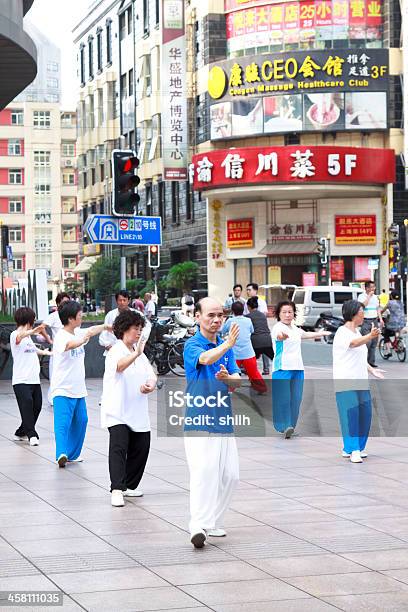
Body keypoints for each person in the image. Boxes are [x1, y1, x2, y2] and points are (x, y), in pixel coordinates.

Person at [183, 297, 241, 548]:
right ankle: (197, 525)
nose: (217, 320)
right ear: (197, 317)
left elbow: (238, 380)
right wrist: (227, 343)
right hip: (199, 418)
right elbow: (205, 359)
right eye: (211, 315)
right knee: (203, 472)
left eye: (221, 315)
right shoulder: (192, 344)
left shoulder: (227, 348)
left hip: (223, 418)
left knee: (230, 475)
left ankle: (213, 520)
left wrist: (229, 378)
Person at [101, 310, 156, 507]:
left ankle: (128, 485)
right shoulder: (117, 349)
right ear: (124, 329)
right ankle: (116, 488)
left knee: (142, 446)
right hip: (117, 410)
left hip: (137, 410)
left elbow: (151, 374)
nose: (139, 333)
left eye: (141, 329)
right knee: (119, 447)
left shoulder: (139, 354)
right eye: (136, 329)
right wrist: (136, 353)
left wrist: (150, 384)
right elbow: (119, 367)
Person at [51, 301, 112, 468]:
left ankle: (72, 454)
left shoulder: (77, 331)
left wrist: (106, 327)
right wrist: (83, 340)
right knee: (62, 424)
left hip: (78, 389)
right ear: (70, 319)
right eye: (79, 315)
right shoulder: (61, 336)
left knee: (82, 421)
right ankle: (61, 453)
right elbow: (69, 345)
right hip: (62, 389)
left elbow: (91, 331)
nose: (81, 317)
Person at [333, 300, 384, 463]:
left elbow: (360, 355)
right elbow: (353, 345)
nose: (364, 314)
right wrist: (370, 336)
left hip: (361, 380)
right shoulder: (342, 332)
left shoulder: (357, 332)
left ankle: (356, 448)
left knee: (365, 414)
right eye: (362, 311)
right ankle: (353, 448)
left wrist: (372, 369)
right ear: (354, 313)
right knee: (351, 415)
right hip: (345, 380)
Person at [271, 300, 330, 438]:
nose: (287, 315)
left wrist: (321, 333)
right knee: (283, 399)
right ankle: (284, 426)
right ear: (279, 314)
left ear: (294, 313)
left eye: (290, 312)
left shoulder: (295, 328)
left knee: (296, 399)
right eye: (284, 312)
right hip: (282, 368)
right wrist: (282, 337)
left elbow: (305, 335)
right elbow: (279, 336)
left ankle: (290, 426)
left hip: (298, 368)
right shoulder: (277, 328)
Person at [11, 308, 52, 446]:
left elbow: (34, 350)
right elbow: (19, 337)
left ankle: (20, 432)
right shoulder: (15, 334)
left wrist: (48, 353)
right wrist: (33, 332)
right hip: (21, 380)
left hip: (34, 379)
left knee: (37, 406)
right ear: (28, 320)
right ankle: (31, 434)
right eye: (33, 319)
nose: (34, 321)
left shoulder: (28, 337)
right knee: (27, 404)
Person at [222, 301, 266, 394]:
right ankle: (262, 389)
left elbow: (223, 331)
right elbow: (252, 331)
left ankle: (230, 389)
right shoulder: (248, 320)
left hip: (234, 354)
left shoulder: (230, 321)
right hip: (248, 353)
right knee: (254, 373)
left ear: (232, 311)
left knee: (232, 372)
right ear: (243, 310)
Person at [43, 292, 70, 405]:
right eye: (64, 302)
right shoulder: (54, 316)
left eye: (68, 302)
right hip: (57, 350)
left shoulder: (70, 316)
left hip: (69, 350)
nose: (66, 305)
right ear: (58, 303)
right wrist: (49, 339)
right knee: (55, 374)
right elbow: (41, 327)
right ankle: (53, 398)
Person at [244, 283, 269, 374]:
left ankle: (266, 368)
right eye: (247, 290)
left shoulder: (261, 302)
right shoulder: (247, 302)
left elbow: (264, 314)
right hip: (250, 329)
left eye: (249, 290)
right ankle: (249, 368)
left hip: (259, 328)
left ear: (255, 290)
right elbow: (245, 315)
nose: (247, 292)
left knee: (263, 349)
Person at [358, 281, 384, 368]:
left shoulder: (376, 297)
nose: (373, 289)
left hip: (374, 320)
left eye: (374, 287)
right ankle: (363, 362)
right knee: (367, 342)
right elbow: (363, 306)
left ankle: (371, 362)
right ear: (367, 288)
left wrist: (380, 319)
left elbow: (378, 309)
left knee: (374, 342)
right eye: (372, 287)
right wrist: (369, 296)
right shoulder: (361, 296)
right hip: (365, 321)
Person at [245, 296, 274, 364]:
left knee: (250, 359)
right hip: (267, 341)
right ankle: (283, 369)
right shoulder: (263, 315)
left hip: (255, 343)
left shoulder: (247, 317)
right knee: (274, 358)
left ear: (249, 307)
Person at [382, 291, 406, 356]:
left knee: (386, 334)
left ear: (391, 296)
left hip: (393, 323)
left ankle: (389, 351)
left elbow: (382, 310)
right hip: (402, 322)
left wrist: (380, 314)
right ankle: (398, 342)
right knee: (397, 331)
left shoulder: (390, 303)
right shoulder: (401, 302)